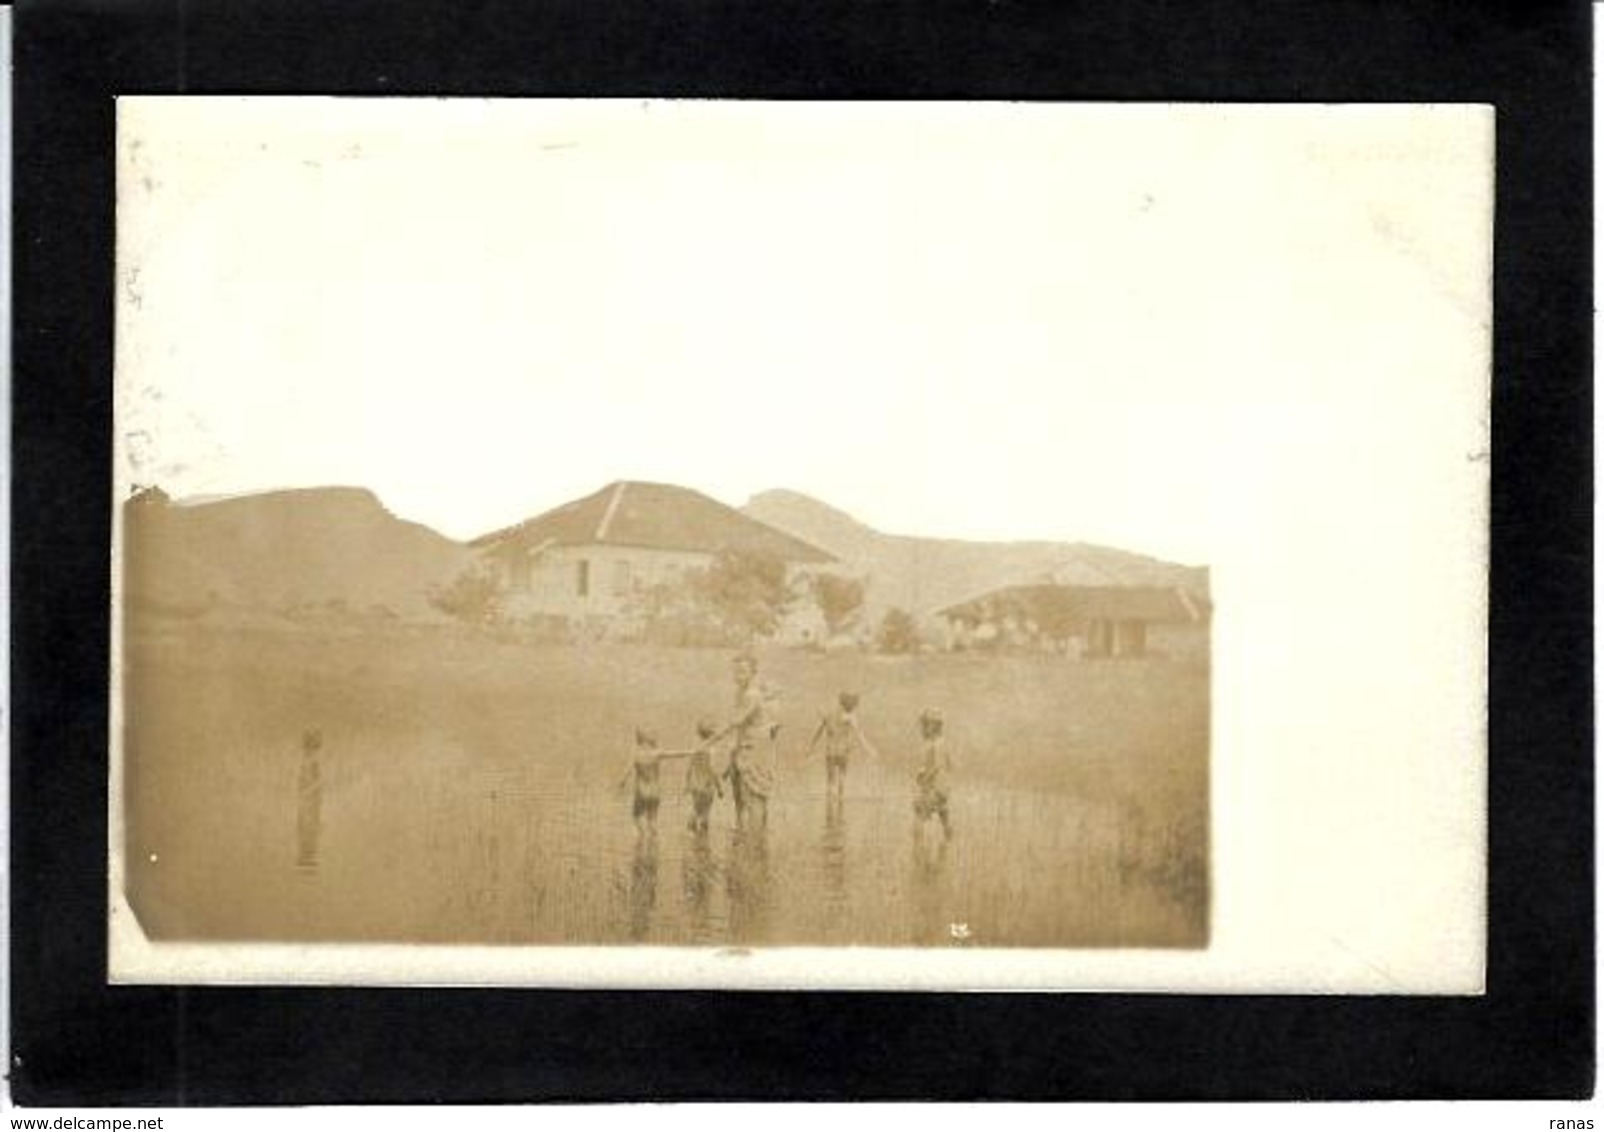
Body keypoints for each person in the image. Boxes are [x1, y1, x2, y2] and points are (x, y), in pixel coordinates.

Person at [721, 651, 781, 831]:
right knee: (745, 794)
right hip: (746, 744)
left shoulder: (752, 694)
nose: (738, 676)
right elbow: (738, 723)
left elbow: (737, 720)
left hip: (756, 748)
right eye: (736, 671)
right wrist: (733, 746)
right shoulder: (740, 692)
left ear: (753, 673)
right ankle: (753, 837)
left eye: (743, 671)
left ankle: (756, 842)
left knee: (754, 796)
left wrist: (715, 737)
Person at [618, 727, 691, 842]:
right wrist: (692, 751)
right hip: (655, 791)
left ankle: (641, 840)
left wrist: (621, 784)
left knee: (636, 817)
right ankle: (654, 843)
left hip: (641, 792)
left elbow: (625, 775)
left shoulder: (636, 755)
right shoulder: (657, 753)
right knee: (652, 820)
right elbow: (677, 754)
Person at [804, 691, 878, 799]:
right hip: (843, 753)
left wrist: (810, 747)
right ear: (849, 705)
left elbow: (817, 732)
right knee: (841, 784)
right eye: (853, 705)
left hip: (830, 753)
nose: (854, 708)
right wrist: (869, 749)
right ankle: (839, 809)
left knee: (830, 783)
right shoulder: (850, 717)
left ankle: (829, 811)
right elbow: (859, 734)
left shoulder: (828, 714)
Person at [913, 708, 954, 840]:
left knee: (919, 813)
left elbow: (936, 766)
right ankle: (948, 841)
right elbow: (949, 764)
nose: (923, 729)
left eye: (925, 725)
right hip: (943, 788)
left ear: (934, 727)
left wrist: (925, 778)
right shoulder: (942, 743)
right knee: (943, 812)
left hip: (935, 788)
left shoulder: (936, 744)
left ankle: (918, 847)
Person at [684, 719, 724, 834]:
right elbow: (712, 770)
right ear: (711, 734)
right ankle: (702, 834)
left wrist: (687, 784)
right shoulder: (710, 750)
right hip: (707, 785)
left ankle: (691, 832)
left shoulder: (695, 747)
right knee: (706, 811)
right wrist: (719, 787)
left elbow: (689, 767)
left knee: (695, 808)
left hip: (695, 783)